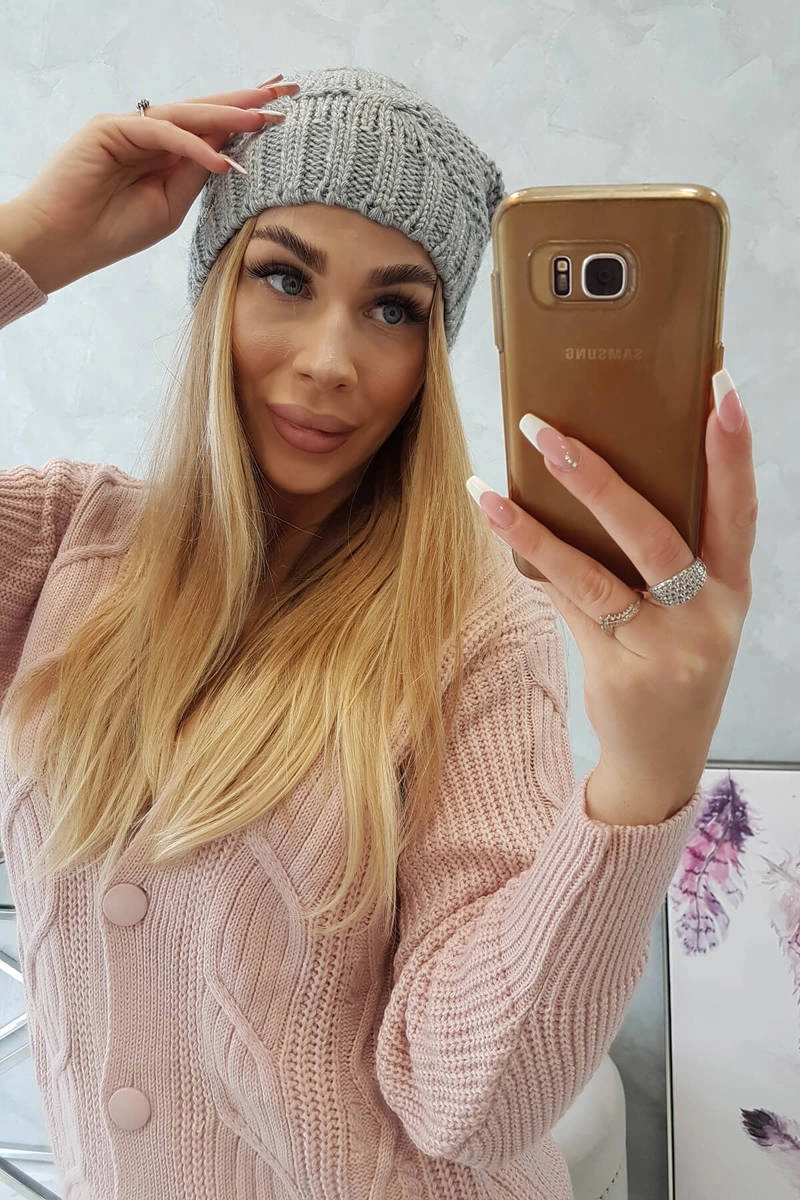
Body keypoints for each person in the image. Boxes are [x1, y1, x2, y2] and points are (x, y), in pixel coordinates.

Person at [0, 66, 756, 1200]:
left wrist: (645, 777)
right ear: (215, 288)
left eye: (395, 308)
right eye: (283, 277)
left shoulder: (473, 625)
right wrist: (30, 242)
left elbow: (469, 1104)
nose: (329, 361)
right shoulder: (62, 542)